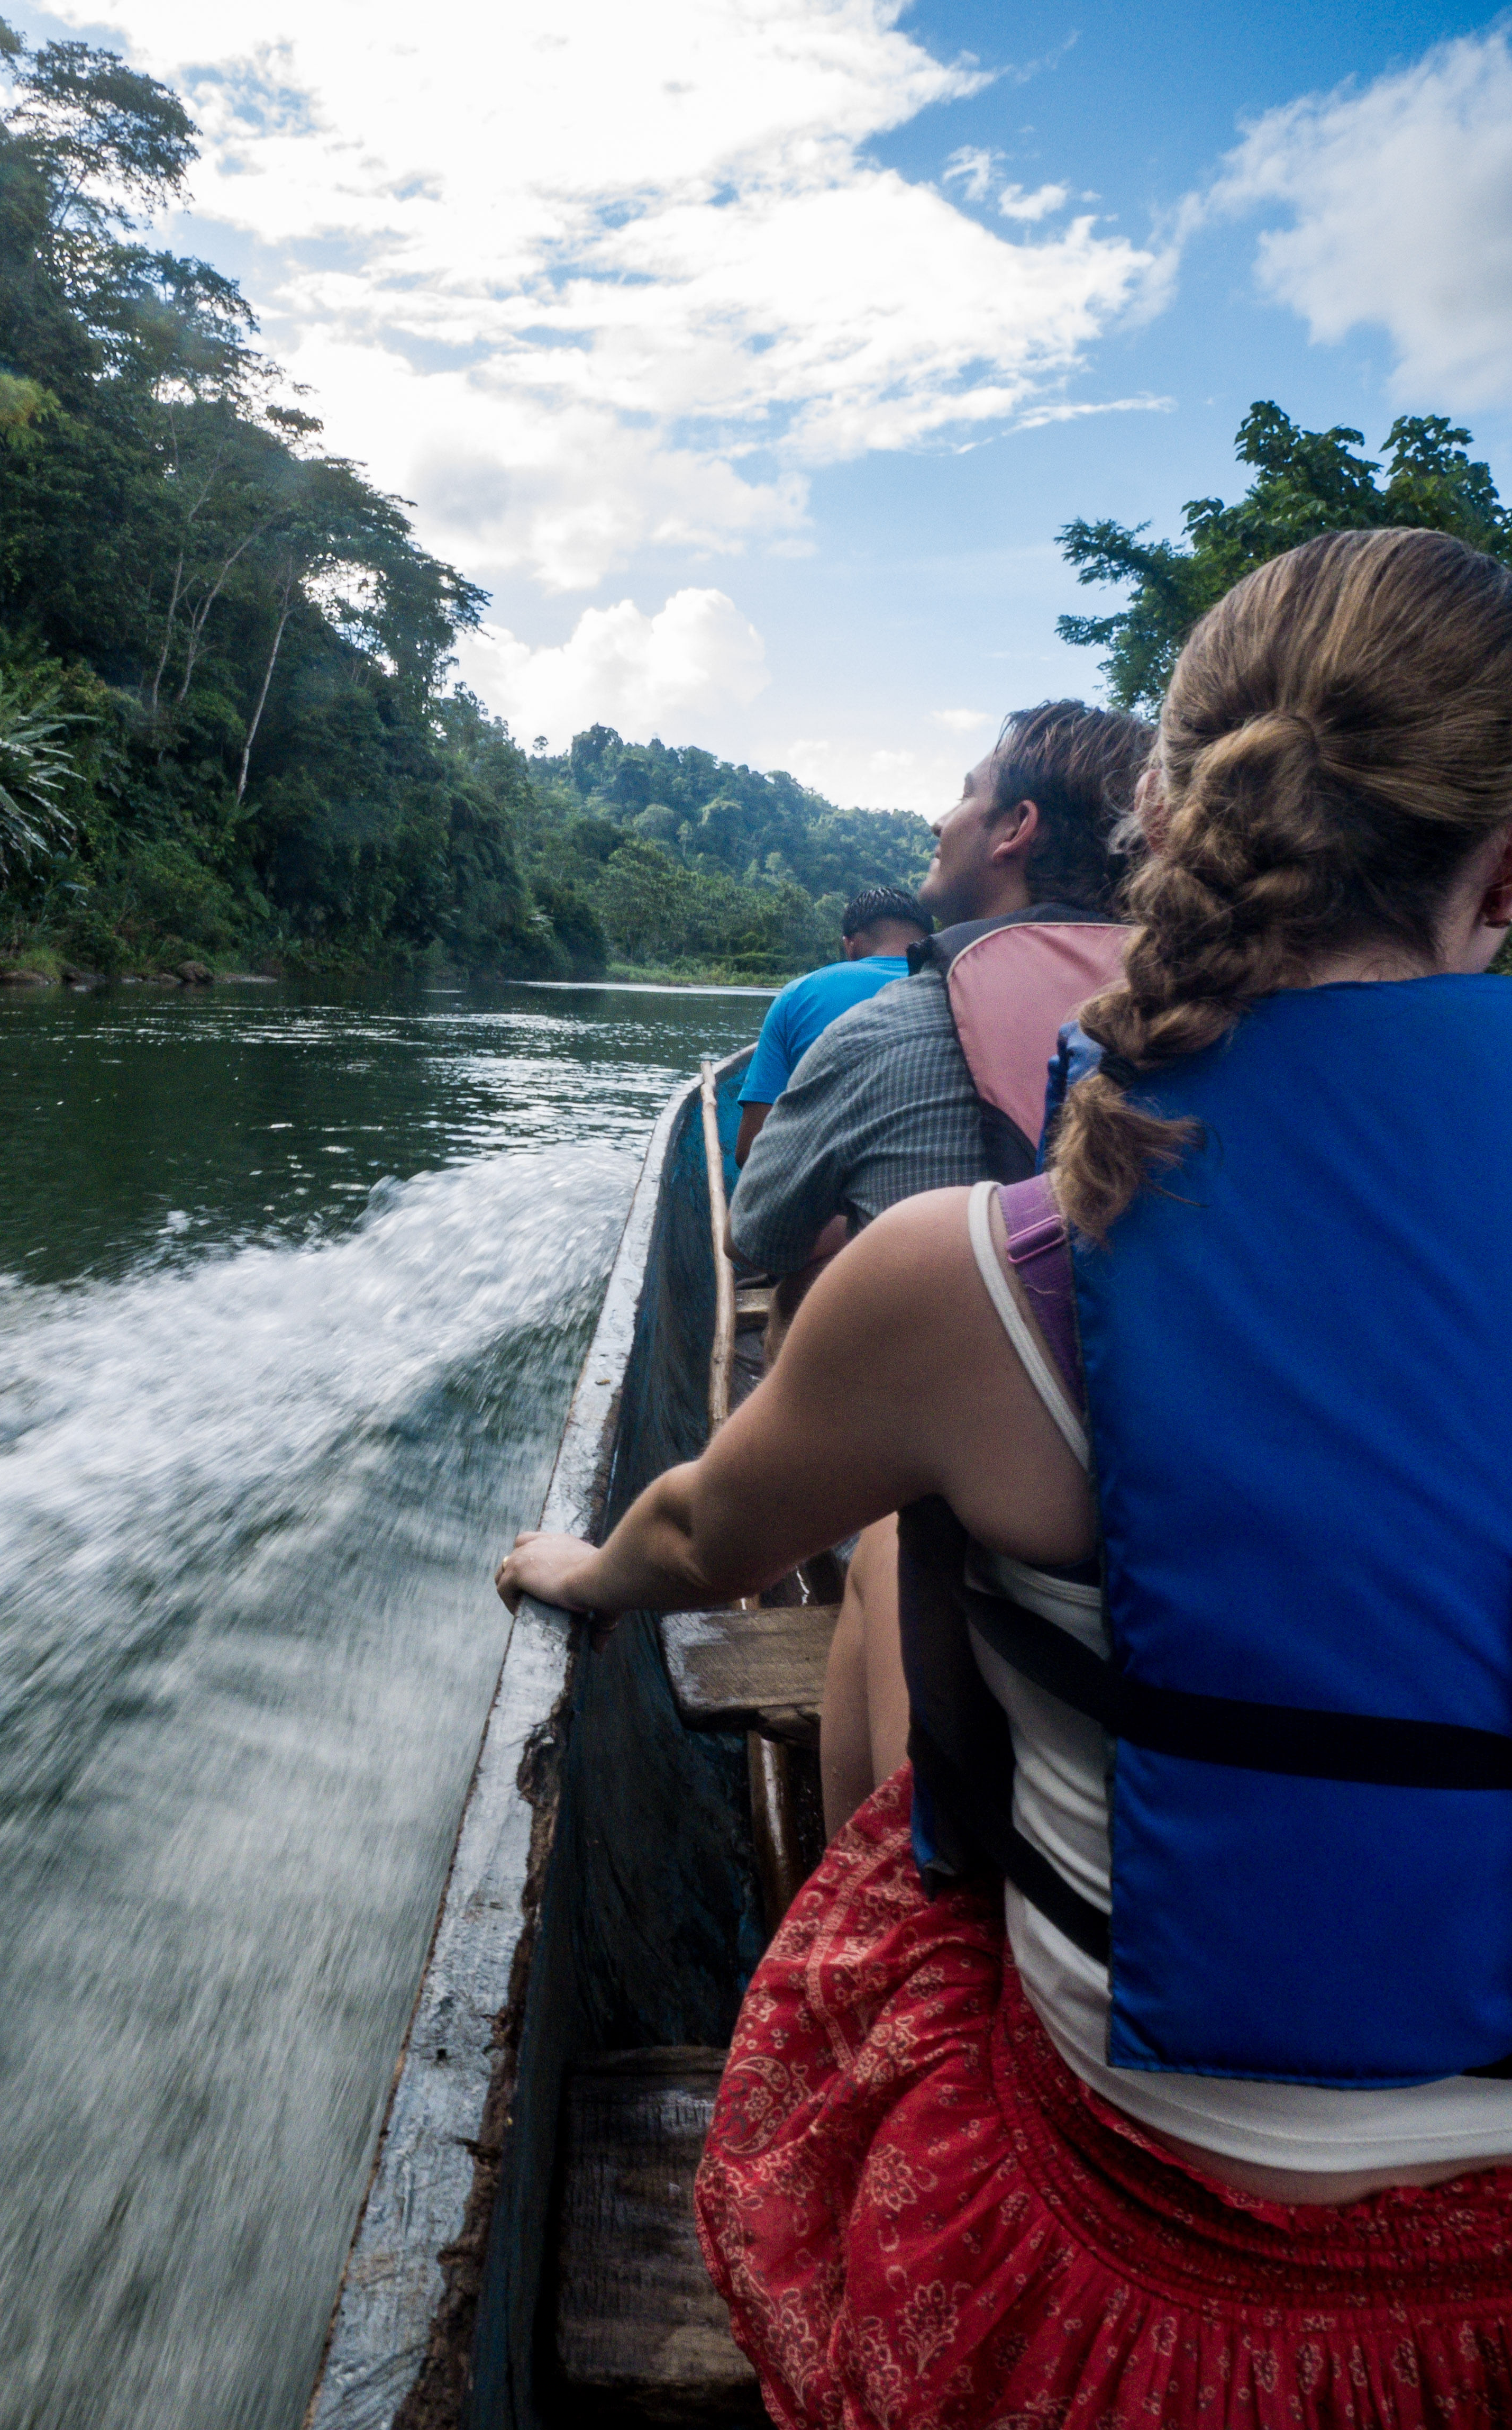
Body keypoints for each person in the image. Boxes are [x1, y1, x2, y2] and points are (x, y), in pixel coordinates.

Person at [498, 527, 1512, 2425]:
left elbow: (706, 1527)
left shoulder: (976, 1278)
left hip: (1116, 2286)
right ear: (1503, 875)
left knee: (902, 1577)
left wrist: (590, 1572)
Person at [727, 702, 1150, 1298]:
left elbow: (752, 1241)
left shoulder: (884, 1032)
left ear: (1015, 828)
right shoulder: (1205, 1016)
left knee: (798, 1294)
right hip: (1138, 1371)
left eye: (964, 796)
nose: (938, 820)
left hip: (957, 1378)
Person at [732, 887, 931, 1168]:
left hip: (827, 1196)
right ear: (929, 940)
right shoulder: (961, 985)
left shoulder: (798, 994)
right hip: (943, 1195)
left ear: (849, 944)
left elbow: (751, 1151)